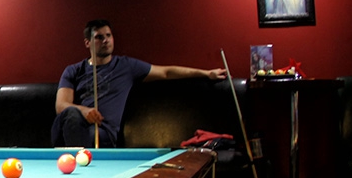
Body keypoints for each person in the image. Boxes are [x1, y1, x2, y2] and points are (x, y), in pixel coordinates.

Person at [51, 19, 226, 147]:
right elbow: (61, 106)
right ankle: (79, 160)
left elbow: (166, 72)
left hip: (102, 133)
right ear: (87, 43)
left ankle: (79, 165)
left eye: (108, 36)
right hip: (70, 129)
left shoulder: (126, 66)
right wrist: (84, 111)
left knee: (82, 131)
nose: (105, 40)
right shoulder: (74, 70)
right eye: (99, 37)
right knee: (71, 115)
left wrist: (206, 73)